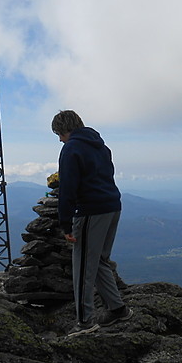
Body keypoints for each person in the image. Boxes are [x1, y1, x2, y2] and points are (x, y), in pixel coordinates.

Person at [51, 110, 131, 337]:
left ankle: (85, 322)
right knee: (100, 261)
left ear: (65, 129)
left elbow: (67, 188)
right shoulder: (101, 146)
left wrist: (65, 224)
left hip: (90, 211)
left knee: (83, 267)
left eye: (59, 134)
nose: (59, 139)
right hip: (113, 206)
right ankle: (118, 309)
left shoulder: (71, 149)